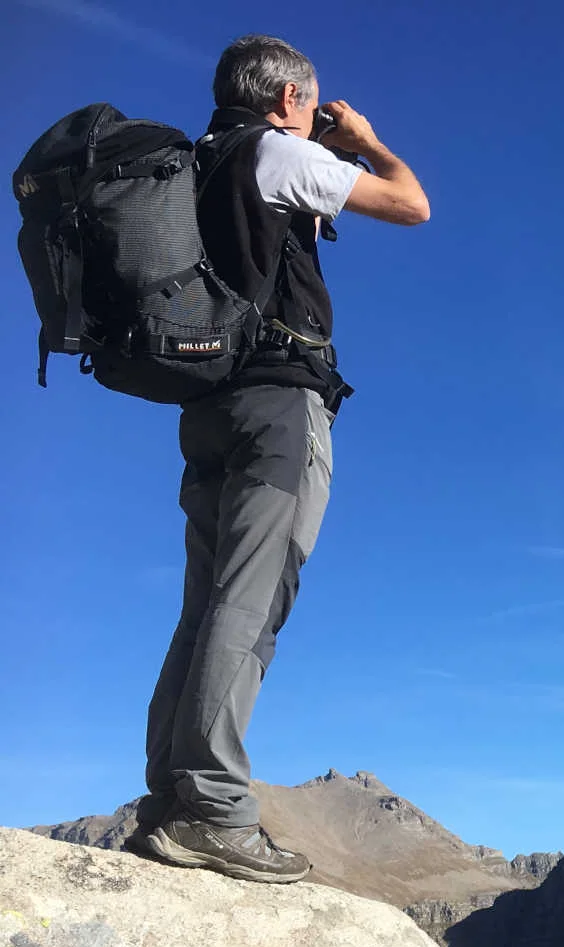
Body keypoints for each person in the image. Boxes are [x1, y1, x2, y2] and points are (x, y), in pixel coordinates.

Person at [126, 34, 430, 884]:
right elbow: (412, 205)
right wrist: (365, 142)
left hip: (209, 408)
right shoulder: (271, 154)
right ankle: (213, 809)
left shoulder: (200, 163)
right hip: (278, 407)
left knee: (206, 602)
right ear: (290, 99)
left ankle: (169, 800)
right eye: (314, 101)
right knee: (252, 604)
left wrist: (312, 149)